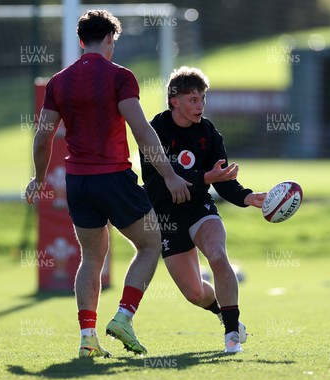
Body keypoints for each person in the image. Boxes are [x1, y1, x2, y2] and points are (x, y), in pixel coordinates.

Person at [25, 10, 191, 358]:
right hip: (114, 178)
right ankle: (124, 317)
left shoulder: (59, 82)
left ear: (81, 41)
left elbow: (43, 138)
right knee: (150, 243)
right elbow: (142, 130)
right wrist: (170, 175)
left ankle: (88, 336)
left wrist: (39, 179)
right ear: (111, 40)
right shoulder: (120, 77)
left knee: (91, 256)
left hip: (78, 182)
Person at [139, 66, 266, 353]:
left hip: (199, 208)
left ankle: (232, 334)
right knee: (195, 293)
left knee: (218, 256)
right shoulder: (154, 130)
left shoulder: (208, 132)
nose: (200, 105)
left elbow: (222, 180)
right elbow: (160, 181)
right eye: (193, 99)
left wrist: (248, 197)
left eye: (202, 99)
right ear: (175, 101)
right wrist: (205, 178)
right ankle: (223, 313)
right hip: (167, 216)